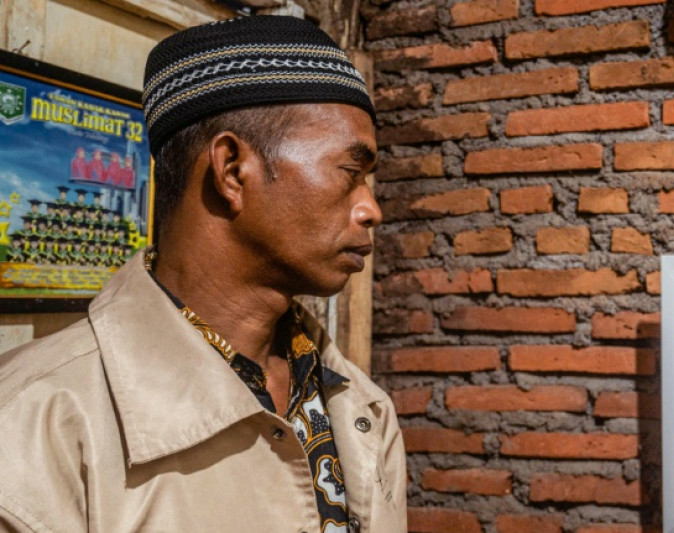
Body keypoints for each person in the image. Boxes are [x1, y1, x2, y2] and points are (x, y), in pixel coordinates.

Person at [0, 15, 406, 533]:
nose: (371, 208)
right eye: (351, 174)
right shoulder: (33, 428)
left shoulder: (363, 409)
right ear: (233, 170)